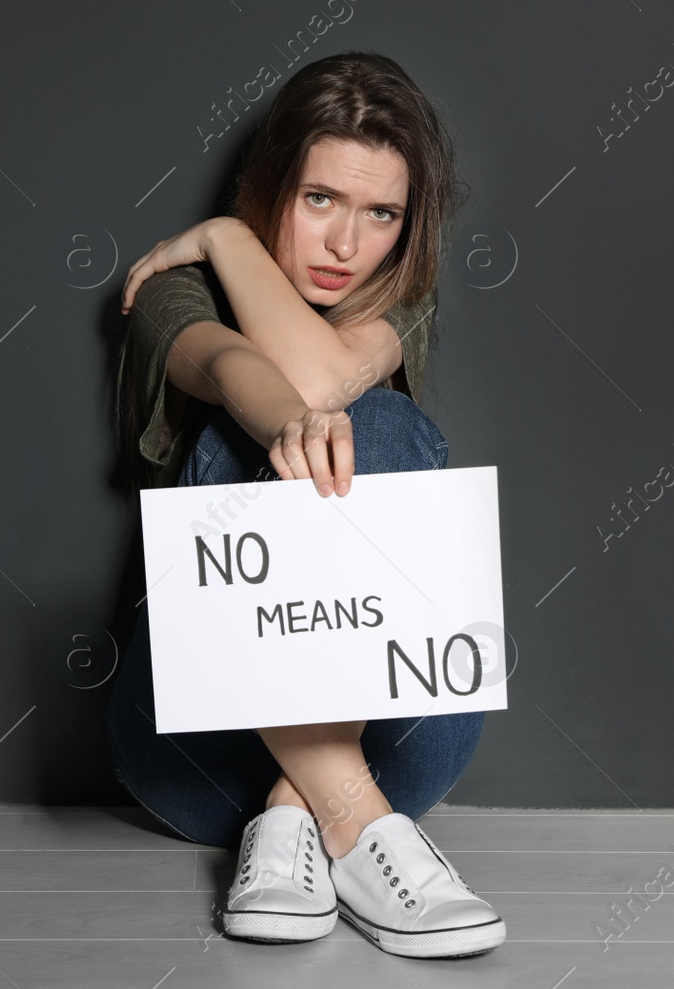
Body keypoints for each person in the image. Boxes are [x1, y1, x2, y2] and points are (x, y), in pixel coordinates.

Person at [107, 51, 504, 960]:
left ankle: (306, 812)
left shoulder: (397, 294)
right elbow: (232, 366)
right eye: (318, 199)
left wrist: (226, 234)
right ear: (270, 182)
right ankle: (365, 831)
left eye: (381, 214)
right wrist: (284, 420)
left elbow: (328, 373)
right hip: (198, 751)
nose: (344, 245)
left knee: (381, 420)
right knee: (236, 436)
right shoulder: (179, 289)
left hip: (396, 740)